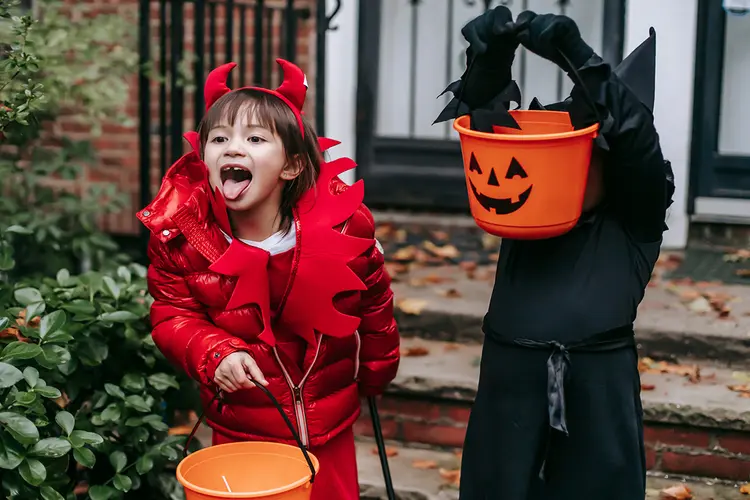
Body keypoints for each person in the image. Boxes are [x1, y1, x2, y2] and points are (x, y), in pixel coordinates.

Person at [435, 7, 675, 500]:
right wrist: (490, 64)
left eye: (585, 156)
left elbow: (637, 143)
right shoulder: (529, 214)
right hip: (508, 394)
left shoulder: (636, 221)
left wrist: (578, 58)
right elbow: (493, 138)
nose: (564, 165)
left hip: (596, 399)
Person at [138, 58, 400, 499]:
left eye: (255, 139)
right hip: (244, 426)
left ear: (292, 166)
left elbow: (374, 303)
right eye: (219, 138)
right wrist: (215, 352)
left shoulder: (344, 230)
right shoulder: (181, 240)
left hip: (327, 421)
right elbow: (172, 315)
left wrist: (376, 370)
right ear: (204, 157)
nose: (233, 148)